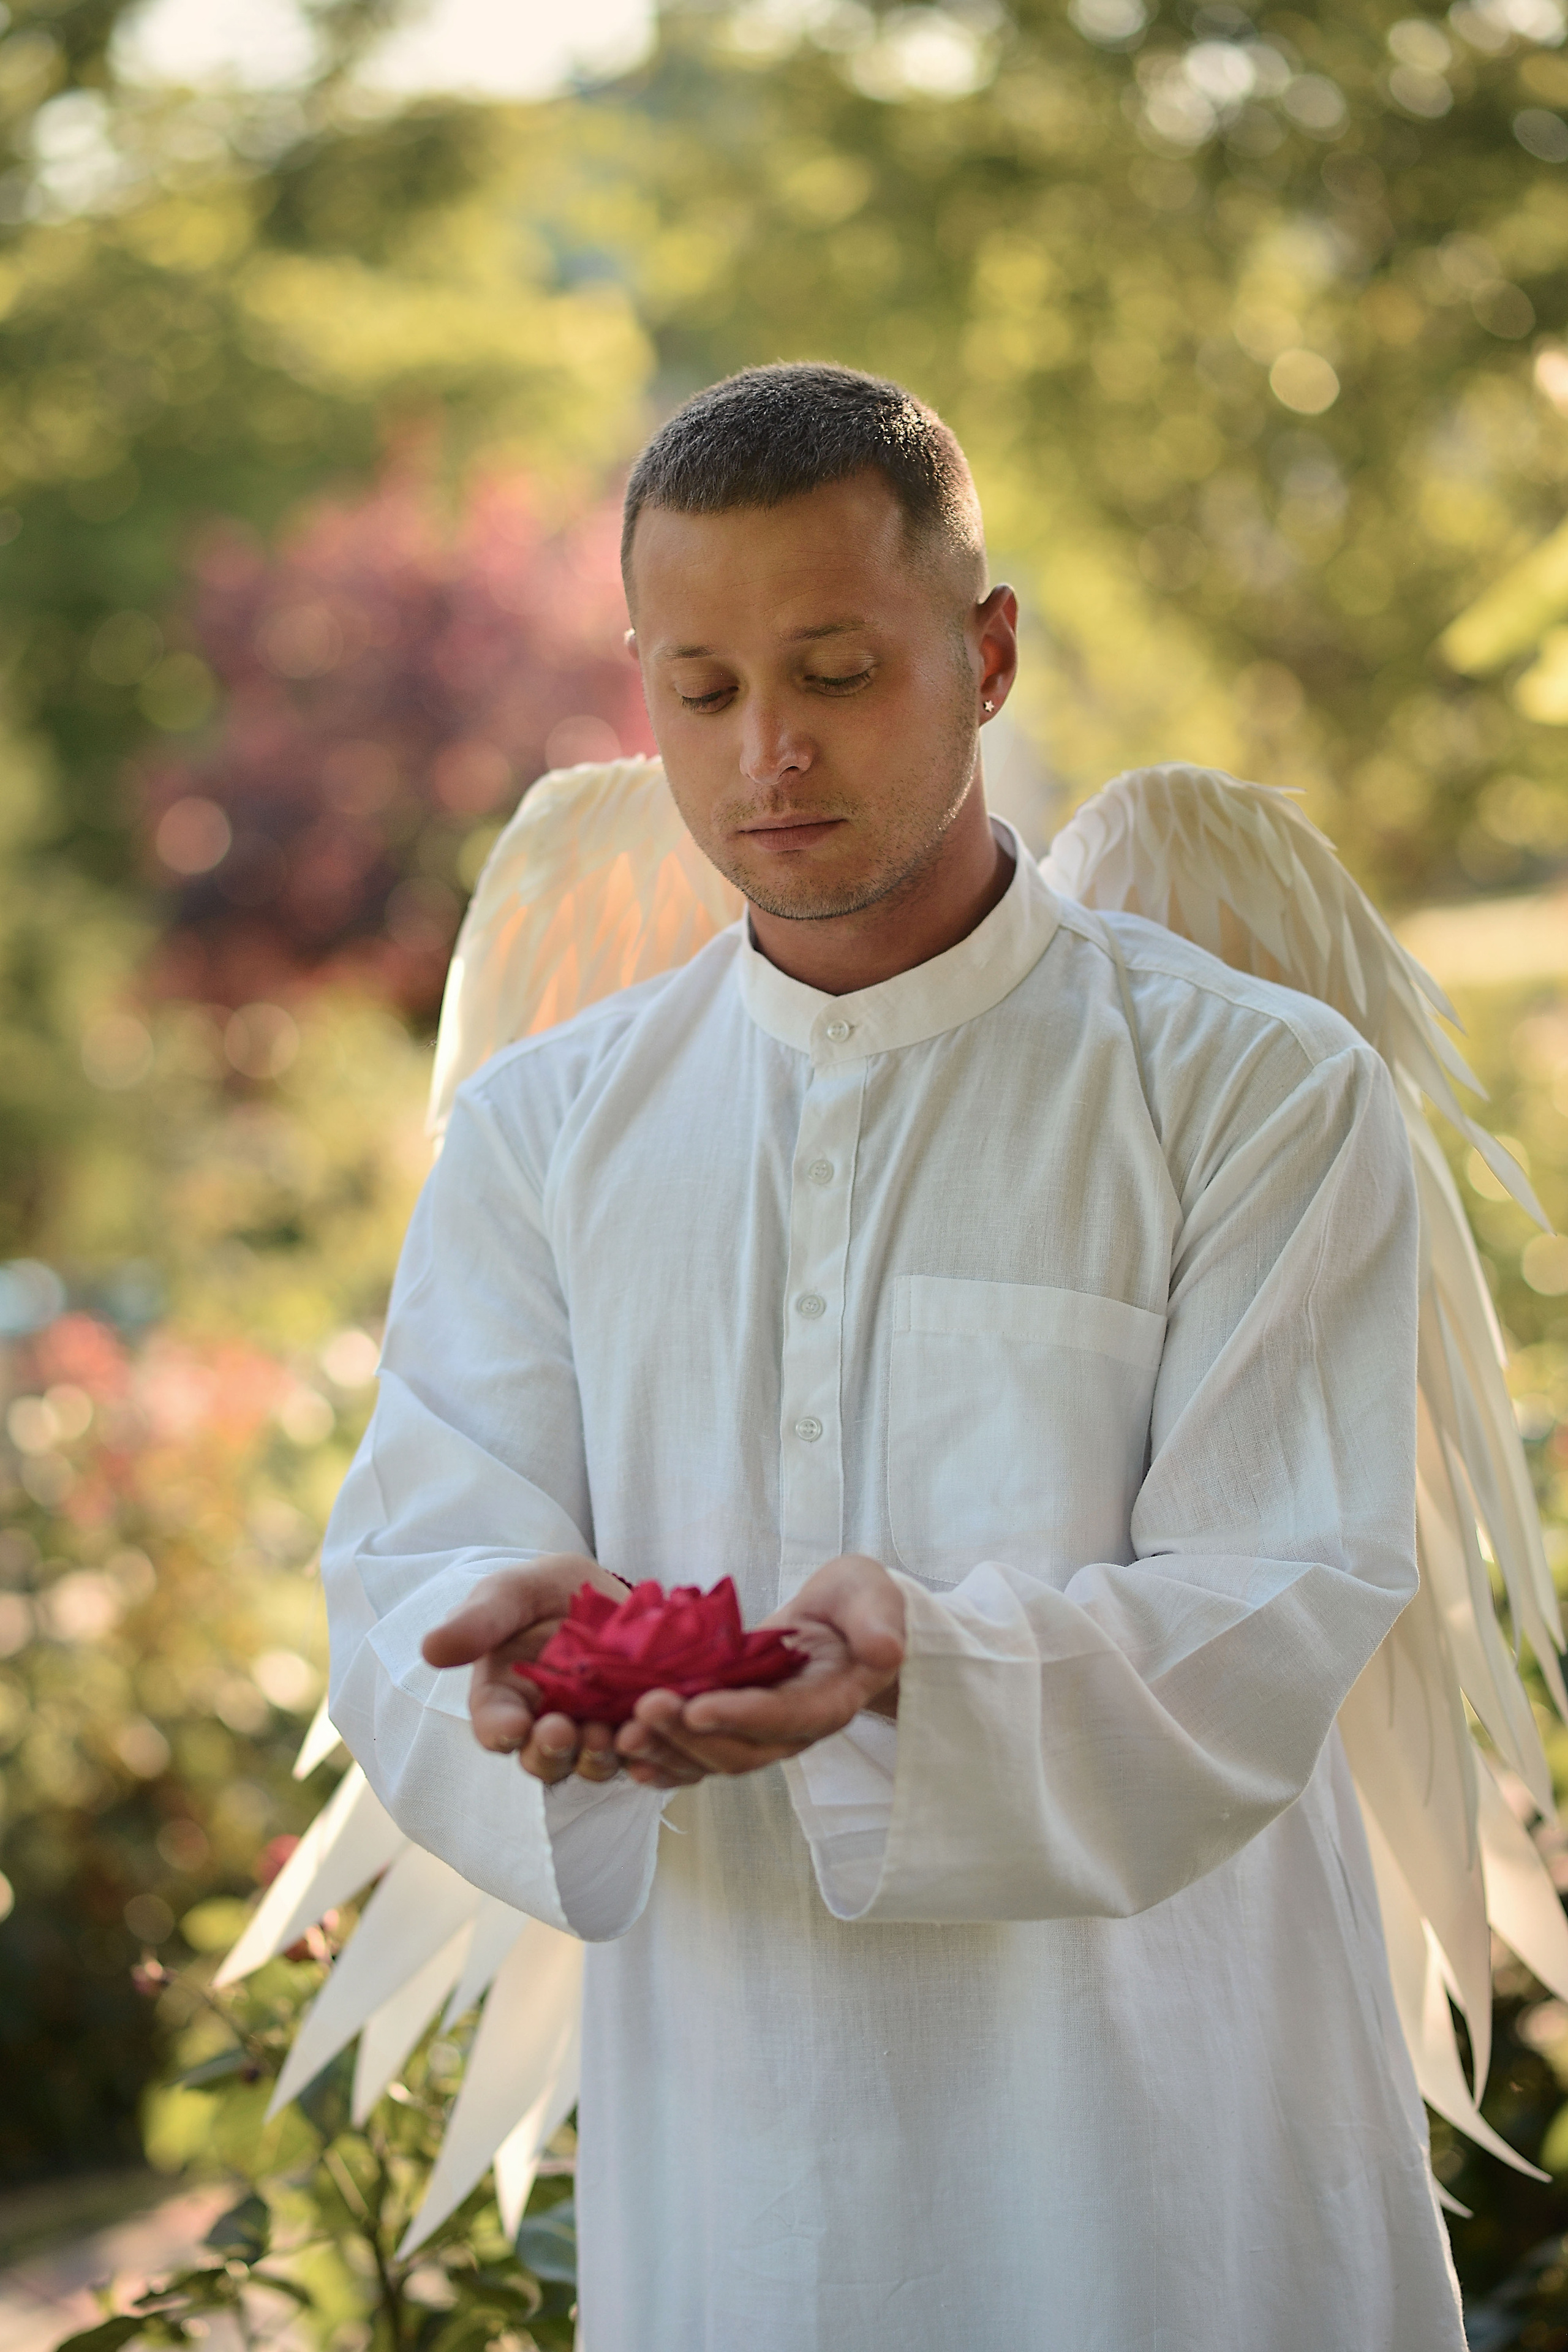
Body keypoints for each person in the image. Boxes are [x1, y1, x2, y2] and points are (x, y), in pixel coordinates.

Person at [322, 363, 1466, 2349]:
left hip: (1169, 2155)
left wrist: (922, 1667)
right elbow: (411, 1557)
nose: (767, 751)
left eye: (838, 673)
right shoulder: (542, 1134)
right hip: (744, 2164)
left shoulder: (1253, 1090)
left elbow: (1283, 1592)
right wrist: (511, 1668)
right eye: (700, 691)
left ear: (988, 653)